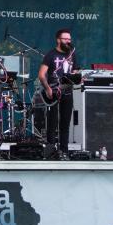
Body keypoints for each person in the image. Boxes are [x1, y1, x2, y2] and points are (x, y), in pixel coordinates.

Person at [38, 28, 80, 160]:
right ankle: (51, 152)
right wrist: (47, 88)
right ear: (58, 40)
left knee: (65, 124)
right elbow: (41, 74)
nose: (68, 41)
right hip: (53, 92)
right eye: (65, 39)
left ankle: (64, 152)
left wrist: (77, 75)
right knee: (52, 123)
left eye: (69, 39)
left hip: (67, 92)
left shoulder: (72, 54)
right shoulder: (51, 55)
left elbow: (75, 71)